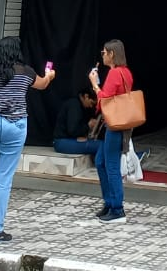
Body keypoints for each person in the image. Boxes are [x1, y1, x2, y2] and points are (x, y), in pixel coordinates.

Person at [0, 37, 55, 242]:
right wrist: (50, 75)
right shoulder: (25, 71)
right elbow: (42, 85)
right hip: (15, 125)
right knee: (4, 178)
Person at [88, 38, 133, 224]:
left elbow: (104, 100)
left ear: (112, 54)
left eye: (104, 53)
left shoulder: (115, 73)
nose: (103, 55)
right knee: (101, 161)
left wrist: (94, 84)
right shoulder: (126, 73)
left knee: (111, 166)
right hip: (118, 123)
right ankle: (109, 202)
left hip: (114, 125)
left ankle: (117, 208)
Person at [53, 87, 100, 159]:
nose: (91, 106)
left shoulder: (77, 104)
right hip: (63, 142)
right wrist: (88, 126)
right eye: (91, 103)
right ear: (86, 96)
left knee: (99, 144)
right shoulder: (74, 106)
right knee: (101, 145)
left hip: (66, 140)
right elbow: (72, 130)